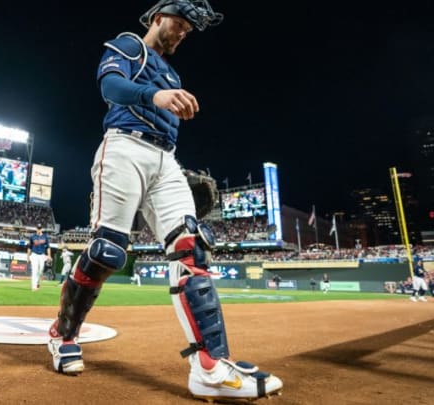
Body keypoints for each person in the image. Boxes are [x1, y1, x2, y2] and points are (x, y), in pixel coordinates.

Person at [46, 1, 282, 401]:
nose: (183, 32)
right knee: (106, 252)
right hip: (123, 148)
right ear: (157, 18)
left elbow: (162, 125)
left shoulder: (172, 72)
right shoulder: (130, 45)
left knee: (192, 246)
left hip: (164, 159)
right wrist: (155, 96)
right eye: (179, 23)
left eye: (188, 29)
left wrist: (167, 151)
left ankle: (209, 366)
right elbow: (110, 86)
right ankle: (62, 334)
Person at [27, 224, 51, 291]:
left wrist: (49, 255)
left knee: (40, 270)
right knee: (34, 270)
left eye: (40, 228)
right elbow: (29, 247)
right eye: (38, 228)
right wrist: (28, 257)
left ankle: (37, 282)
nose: (39, 229)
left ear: (41, 229)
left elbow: (48, 247)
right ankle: (34, 287)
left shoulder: (45, 237)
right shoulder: (32, 237)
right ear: (36, 229)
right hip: (34, 255)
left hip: (42, 255)